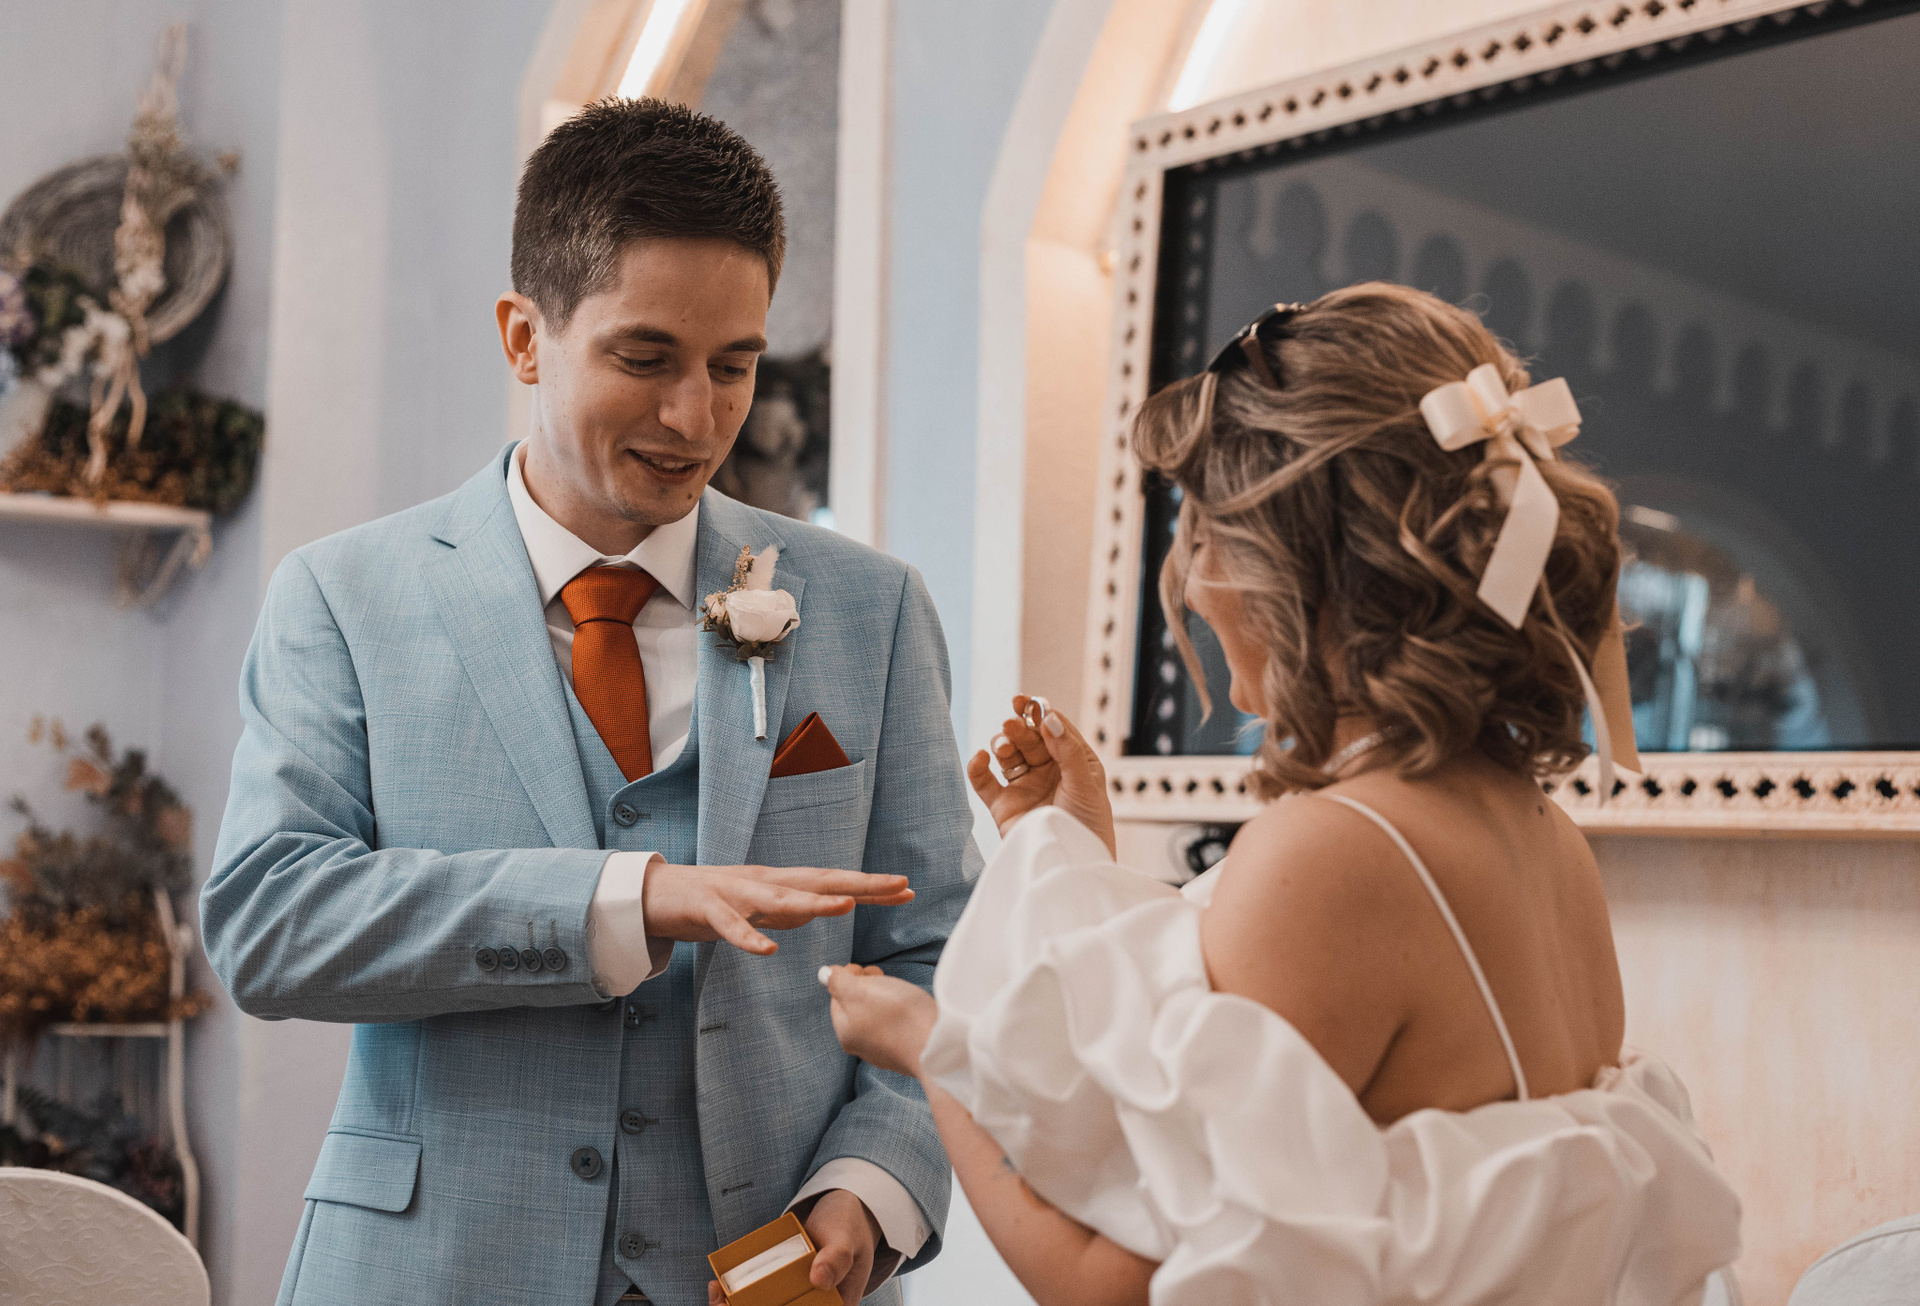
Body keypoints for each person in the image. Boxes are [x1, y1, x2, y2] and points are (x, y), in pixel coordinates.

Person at [824, 283, 1743, 1304]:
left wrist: (933, 1050)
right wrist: (1066, 841)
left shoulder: (1336, 853)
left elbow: (1120, 1287)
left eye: (1207, 533)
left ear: (1298, 561)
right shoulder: (1544, 837)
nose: (1192, 583)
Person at [201, 99, 978, 1306]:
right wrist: (627, 899)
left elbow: (941, 955)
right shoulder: (343, 596)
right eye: (645, 358)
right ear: (526, 337)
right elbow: (270, 921)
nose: (697, 417)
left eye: (735, 366)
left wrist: (872, 1186)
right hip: (433, 1272)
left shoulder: (869, 609)